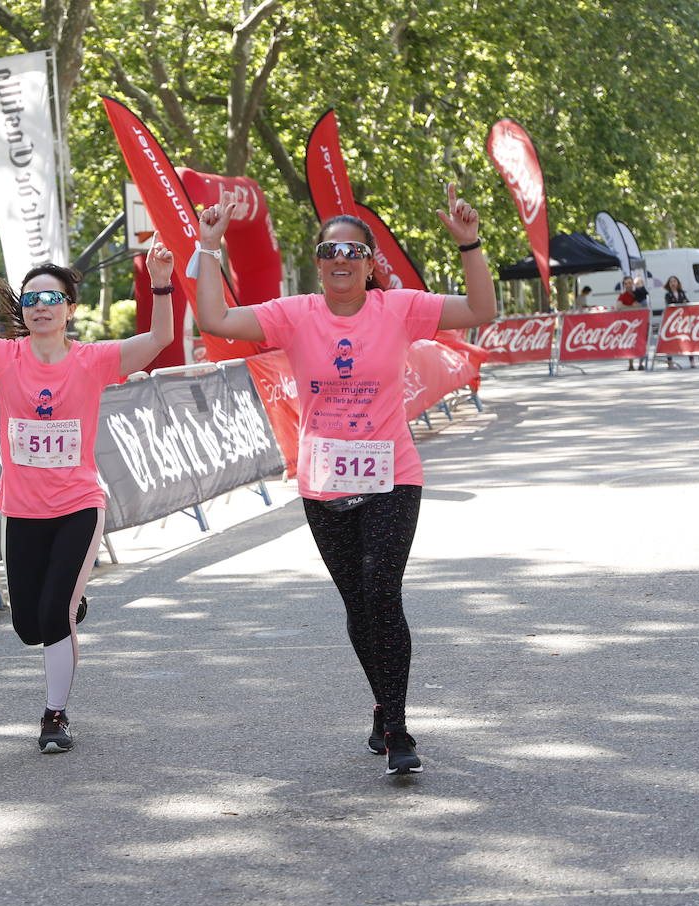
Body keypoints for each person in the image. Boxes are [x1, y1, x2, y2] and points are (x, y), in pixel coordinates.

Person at [192, 184, 496, 776]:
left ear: (370, 263)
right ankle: (383, 704)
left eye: (352, 253)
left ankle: (399, 728)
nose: (339, 262)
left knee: (381, 590)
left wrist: (470, 245)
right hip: (323, 481)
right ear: (318, 261)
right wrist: (208, 249)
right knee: (358, 604)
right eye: (328, 252)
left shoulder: (400, 308)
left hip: (392, 475)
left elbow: (481, 311)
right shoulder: (295, 314)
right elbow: (214, 317)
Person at [0, 225, 176, 754]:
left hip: (78, 506)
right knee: (29, 625)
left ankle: (55, 715)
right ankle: (69, 607)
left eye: (52, 298)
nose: (41, 306)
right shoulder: (4, 358)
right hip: (23, 510)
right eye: (32, 299)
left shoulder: (92, 360)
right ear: (23, 310)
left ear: (69, 308)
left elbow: (158, 340)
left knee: (52, 616)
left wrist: (160, 284)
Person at [663, 276, 694, 368]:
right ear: (669, 284)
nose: (673, 283)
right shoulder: (667, 295)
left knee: (687, 339)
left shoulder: (682, 293)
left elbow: (687, 302)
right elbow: (669, 304)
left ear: (678, 283)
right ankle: (670, 362)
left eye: (674, 281)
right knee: (669, 341)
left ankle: (691, 361)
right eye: (671, 282)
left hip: (683, 320)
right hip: (672, 321)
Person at [616, 277, 641, 370]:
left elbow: (642, 304)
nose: (628, 285)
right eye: (626, 283)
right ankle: (631, 364)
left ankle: (641, 363)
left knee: (640, 342)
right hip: (628, 323)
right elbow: (618, 306)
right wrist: (631, 307)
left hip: (640, 321)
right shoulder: (622, 295)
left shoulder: (638, 293)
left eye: (630, 283)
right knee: (630, 343)